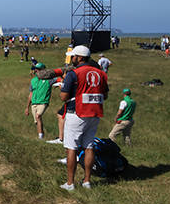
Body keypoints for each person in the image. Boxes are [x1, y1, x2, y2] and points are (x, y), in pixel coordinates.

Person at [59, 45, 109, 191]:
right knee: (89, 146)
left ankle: (70, 183)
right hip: (94, 113)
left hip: (77, 113)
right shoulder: (101, 73)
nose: (72, 59)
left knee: (71, 148)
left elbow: (63, 97)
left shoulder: (73, 74)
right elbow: (105, 95)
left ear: (79, 57)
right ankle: (87, 181)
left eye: (73, 56)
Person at [25, 63, 52, 140]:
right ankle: (41, 136)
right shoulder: (33, 80)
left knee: (38, 116)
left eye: (39, 69)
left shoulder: (48, 79)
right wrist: (27, 107)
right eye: (36, 69)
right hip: (34, 103)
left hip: (43, 102)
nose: (37, 70)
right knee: (37, 121)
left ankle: (40, 137)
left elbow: (60, 80)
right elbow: (31, 94)